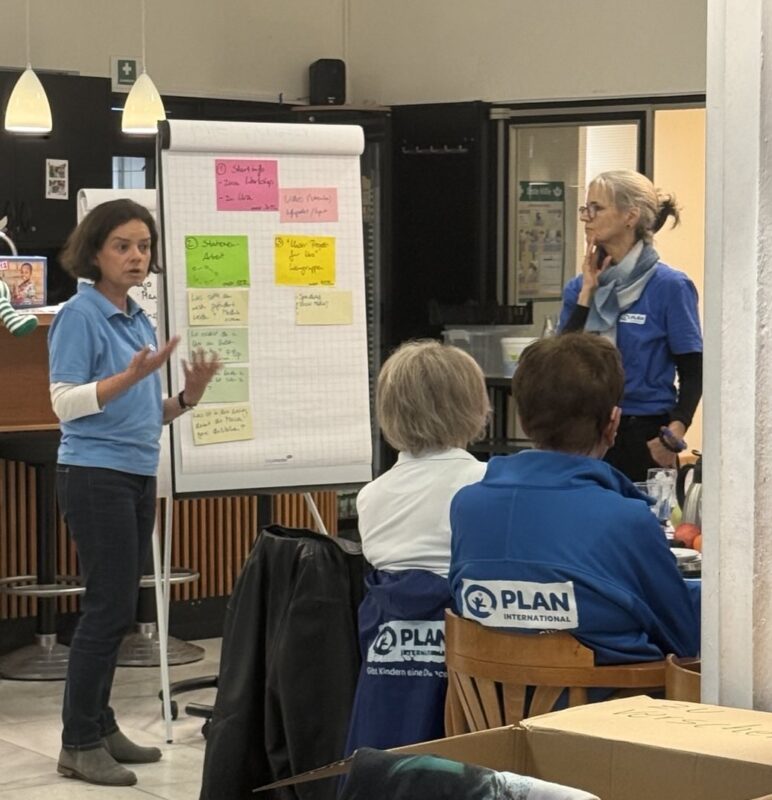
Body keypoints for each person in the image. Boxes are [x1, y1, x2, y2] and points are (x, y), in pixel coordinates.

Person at [48, 199, 221, 787]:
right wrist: (131, 377)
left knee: (118, 607)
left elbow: (148, 414)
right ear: (94, 252)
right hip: (93, 474)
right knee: (108, 608)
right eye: (122, 245)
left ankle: (100, 724)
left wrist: (188, 397)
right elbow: (65, 403)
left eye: (143, 246)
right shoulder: (80, 314)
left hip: (135, 470)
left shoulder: (137, 318)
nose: (136, 256)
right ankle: (78, 741)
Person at [449, 334, 700, 665]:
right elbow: (682, 638)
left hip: (495, 713)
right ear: (613, 424)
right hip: (615, 712)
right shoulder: (628, 519)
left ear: (523, 420)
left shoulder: (467, 507)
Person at [345, 340, 490, 753]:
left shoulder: (370, 497)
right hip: (465, 688)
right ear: (474, 406)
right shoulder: (486, 485)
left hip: (387, 686)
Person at [559, 170, 703, 482]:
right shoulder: (578, 288)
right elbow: (558, 361)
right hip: (585, 429)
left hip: (645, 432)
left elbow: (693, 370)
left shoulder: (670, 286)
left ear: (630, 216)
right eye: (585, 208)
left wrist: (674, 433)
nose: (587, 217)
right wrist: (587, 295)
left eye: (597, 208)